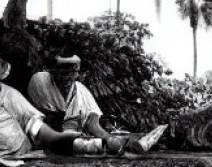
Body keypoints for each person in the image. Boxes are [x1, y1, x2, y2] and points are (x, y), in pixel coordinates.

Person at [0, 49, 124, 162]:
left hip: (24, 150)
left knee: (80, 144)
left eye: (72, 72)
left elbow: (34, 125)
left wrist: (61, 137)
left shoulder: (8, 93)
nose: (67, 76)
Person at [26, 56, 166, 155]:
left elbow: (93, 124)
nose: (66, 78)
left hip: (74, 139)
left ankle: (128, 144)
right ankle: (121, 145)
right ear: (53, 72)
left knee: (107, 143)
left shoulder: (81, 90)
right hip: (47, 138)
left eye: (71, 73)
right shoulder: (40, 81)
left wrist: (109, 138)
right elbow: (40, 115)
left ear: (77, 73)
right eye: (62, 73)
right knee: (91, 145)